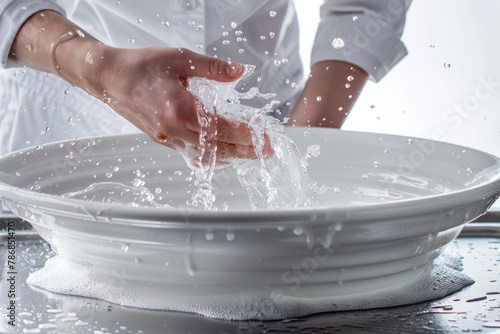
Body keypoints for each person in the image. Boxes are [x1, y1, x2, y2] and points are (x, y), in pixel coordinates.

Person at [0, 0, 411, 158]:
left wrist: (305, 145)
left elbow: (365, 5)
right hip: (70, 121)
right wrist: (99, 68)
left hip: (268, 123)